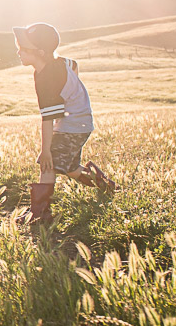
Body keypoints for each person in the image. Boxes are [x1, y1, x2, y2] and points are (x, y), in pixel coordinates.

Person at [12, 22, 115, 225]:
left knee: (47, 165)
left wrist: (46, 151)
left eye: (23, 49)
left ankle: (40, 214)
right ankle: (103, 184)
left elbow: (47, 120)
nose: (18, 52)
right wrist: (72, 89)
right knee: (69, 167)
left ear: (40, 52)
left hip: (73, 125)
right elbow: (73, 64)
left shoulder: (47, 78)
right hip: (80, 121)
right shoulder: (57, 63)